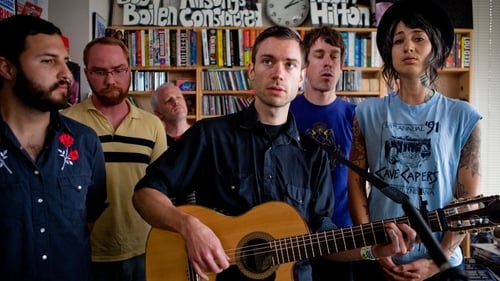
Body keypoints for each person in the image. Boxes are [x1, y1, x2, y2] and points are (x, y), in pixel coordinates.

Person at [133, 26, 416, 281]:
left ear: (301, 77)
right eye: (268, 61)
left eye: (290, 64)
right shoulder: (210, 135)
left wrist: (370, 250)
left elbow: (321, 239)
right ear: (251, 70)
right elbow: (145, 194)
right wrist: (190, 227)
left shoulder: (314, 154)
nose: (278, 73)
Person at [347, 0, 482, 280]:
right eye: (399, 40)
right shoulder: (366, 113)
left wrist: (438, 260)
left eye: (419, 38)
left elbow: (467, 200)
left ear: (436, 48)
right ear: (390, 51)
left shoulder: (463, 115)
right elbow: (356, 183)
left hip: (443, 263)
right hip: (383, 259)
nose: (408, 46)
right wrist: (371, 247)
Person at [0, 15, 107, 281]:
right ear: (7, 68)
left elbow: (89, 218)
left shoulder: (85, 142)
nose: (67, 74)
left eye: (65, 61)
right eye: (49, 61)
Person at [62, 37, 167, 281]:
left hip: (143, 247)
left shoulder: (153, 125)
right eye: (100, 71)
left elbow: (163, 189)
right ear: (87, 73)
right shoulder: (65, 123)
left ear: (129, 70)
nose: (110, 80)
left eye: (118, 70)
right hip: (84, 250)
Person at [290, 26, 356, 281]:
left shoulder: (355, 117)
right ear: (305, 64)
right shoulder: (285, 112)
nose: (328, 62)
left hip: (342, 241)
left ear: (342, 66)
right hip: (293, 240)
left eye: (334, 56)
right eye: (319, 55)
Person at [150, 82, 191, 147]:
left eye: (178, 97)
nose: (176, 102)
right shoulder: (156, 142)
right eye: (169, 100)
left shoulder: (201, 135)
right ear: (158, 113)